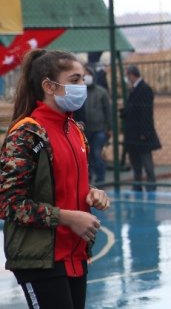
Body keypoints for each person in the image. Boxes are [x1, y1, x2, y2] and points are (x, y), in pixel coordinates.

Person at [0, 49, 111, 309]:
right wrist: (68, 217)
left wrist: (92, 192)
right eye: (74, 80)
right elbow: (9, 204)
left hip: (75, 254)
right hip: (39, 258)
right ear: (49, 86)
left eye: (83, 79)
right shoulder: (26, 134)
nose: (82, 86)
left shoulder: (74, 130)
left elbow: (58, 184)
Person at [120, 65, 161, 192]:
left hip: (141, 132)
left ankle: (151, 185)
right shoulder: (134, 89)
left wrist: (145, 132)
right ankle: (137, 184)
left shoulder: (144, 89)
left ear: (132, 75)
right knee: (135, 161)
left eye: (128, 75)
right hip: (132, 132)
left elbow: (146, 112)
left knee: (145, 160)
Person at [76, 65, 112, 185]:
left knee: (97, 153)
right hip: (84, 130)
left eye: (88, 74)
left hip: (99, 130)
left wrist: (109, 128)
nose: (86, 77)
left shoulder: (101, 92)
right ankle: (89, 179)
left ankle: (101, 178)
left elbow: (108, 111)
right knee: (87, 156)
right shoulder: (79, 92)